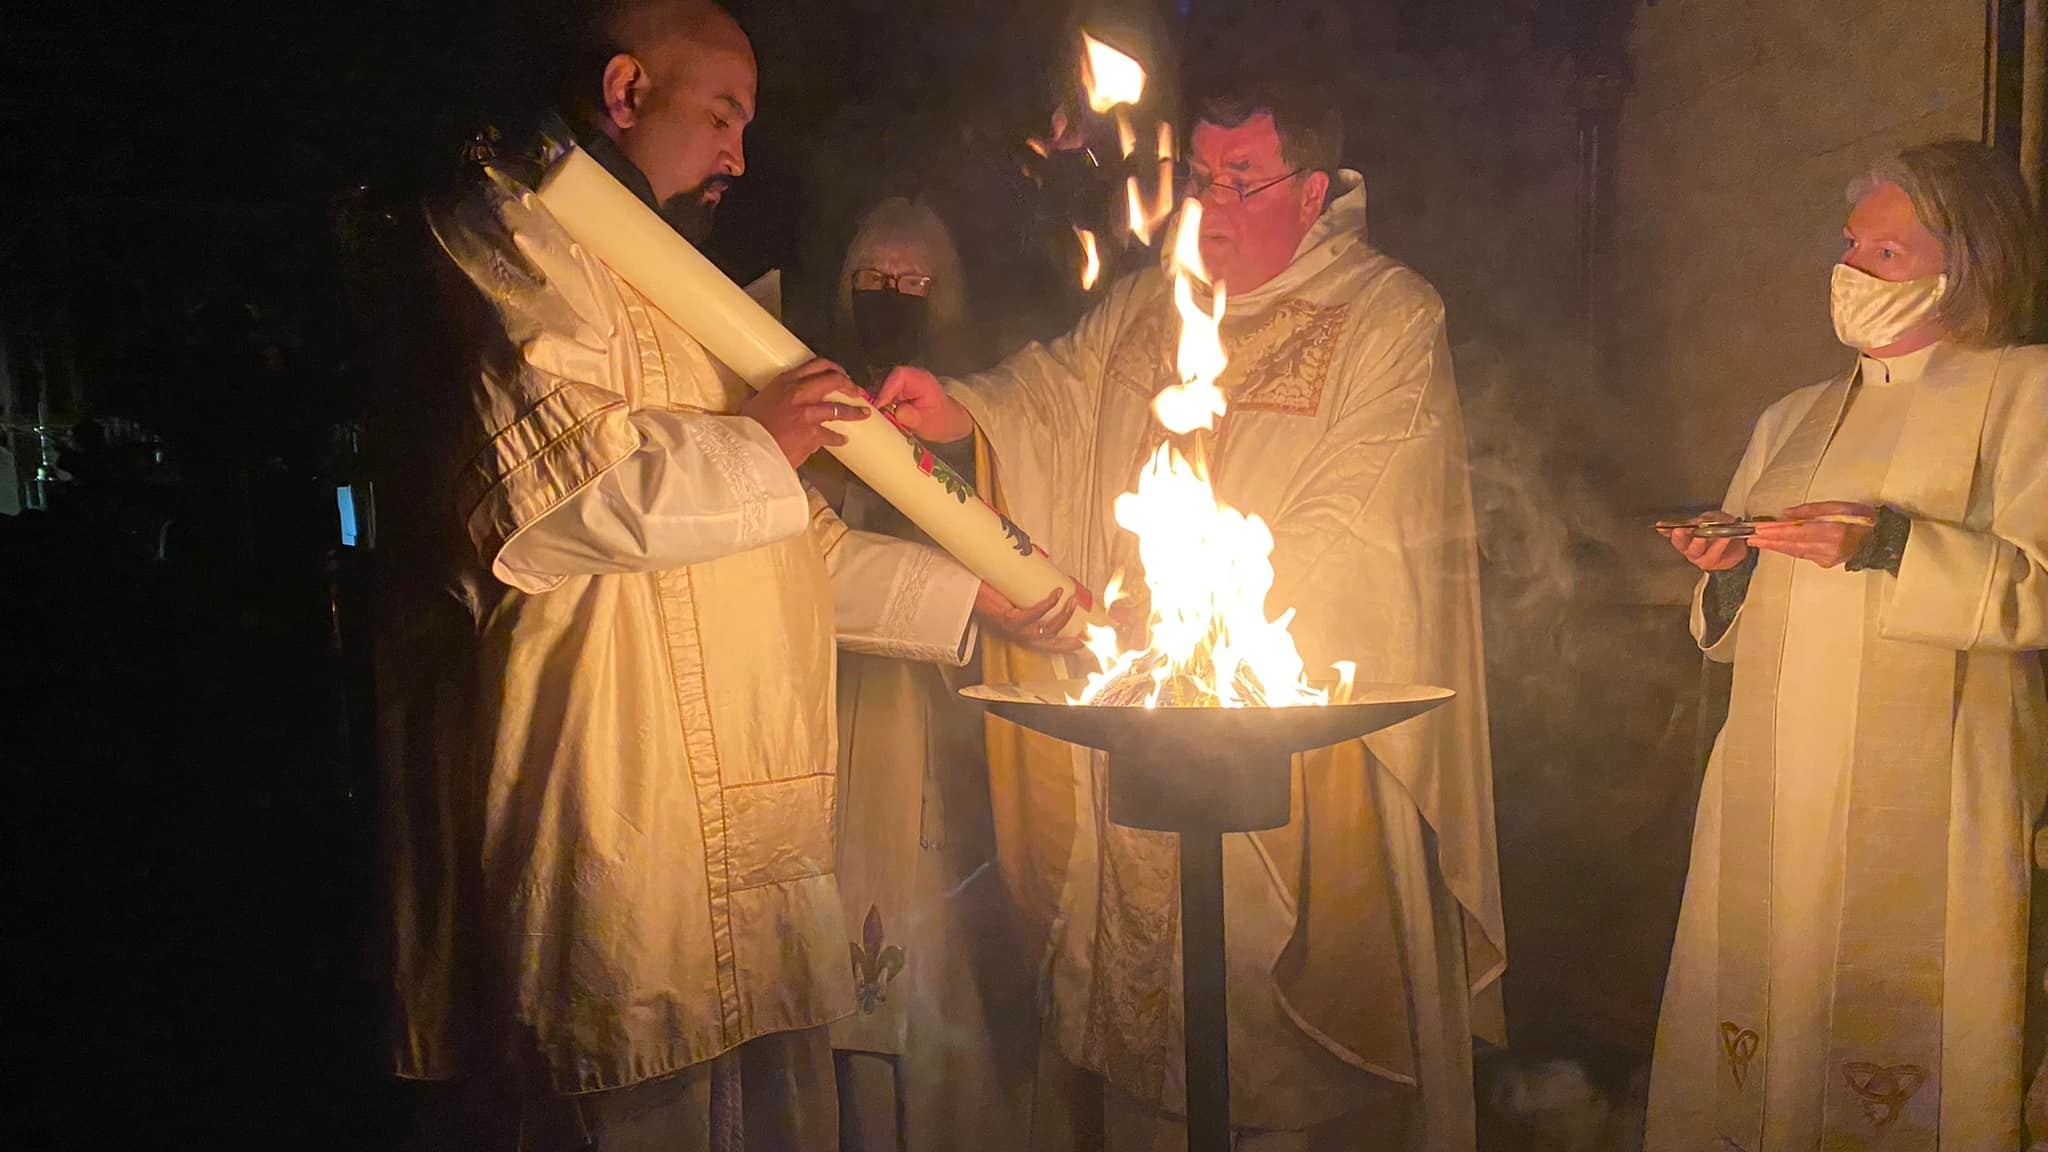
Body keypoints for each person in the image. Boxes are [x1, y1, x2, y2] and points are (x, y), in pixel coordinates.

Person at [373, 3, 1067, 1147]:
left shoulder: (681, 289)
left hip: (751, 834)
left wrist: (976, 598)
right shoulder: (500, 240)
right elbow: (545, 501)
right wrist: (767, 439)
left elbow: (787, 549)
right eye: (723, 114)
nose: (741, 154)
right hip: (612, 816)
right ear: (626, 90)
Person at [877, 72, 1506, 1149]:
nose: (1209, 206)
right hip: (1140, 712)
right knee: (1133, 1058)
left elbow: (1364, 508)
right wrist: (962, 409)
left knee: (1269, 1076)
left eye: (1243, 181)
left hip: (1284, 735)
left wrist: (1210, 621)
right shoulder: (1142, 299)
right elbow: (1056, 397)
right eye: (1200, 178)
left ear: (1312, 192)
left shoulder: (1385, 313)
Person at [1650, 139, 2048, 1149]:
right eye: (1850, 246)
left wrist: (1889, 544)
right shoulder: (1793, 416)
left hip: (1937, 787)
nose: (1850, 270)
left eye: (1884, 251)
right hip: (1772, 779)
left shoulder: (2026, 393)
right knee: (1767, 1030)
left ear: (1970, 258)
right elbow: (1739, 637)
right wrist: (1727, 565)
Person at [822, 197, 1041, 1152]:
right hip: (841, 714)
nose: (894, 295)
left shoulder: (971, 410)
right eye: (876, 276)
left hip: (952, 723)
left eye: (916, 281)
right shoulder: (808, 388)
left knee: (951, 958)